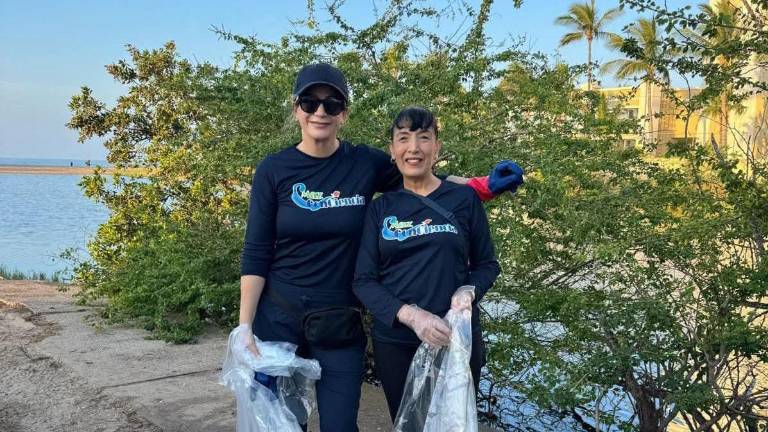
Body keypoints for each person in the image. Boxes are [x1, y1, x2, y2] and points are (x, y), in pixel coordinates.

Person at [237, 64, 520, 431]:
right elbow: (256, 250)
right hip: (278, 316)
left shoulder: (364, 163)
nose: (320, 111)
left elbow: (420, 173)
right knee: (279, 424)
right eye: (310, 102)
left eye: (332, 103)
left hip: (337, 318)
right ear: (297, 109)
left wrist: (480, 186)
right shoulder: (273, 170)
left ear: (344, 113)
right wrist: (244, 327)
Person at [353, 106, 506, 422]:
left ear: (436, 147)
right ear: (392, 150)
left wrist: (469, 290)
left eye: (424, 138)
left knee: (456, 423)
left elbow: (487, 264)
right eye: (404, 138)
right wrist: (412, 316)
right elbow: (363, 281)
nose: (414, 148)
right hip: (397, 342)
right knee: (409, 423)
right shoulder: (380, 209)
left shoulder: (463, 200)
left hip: (457, 340)